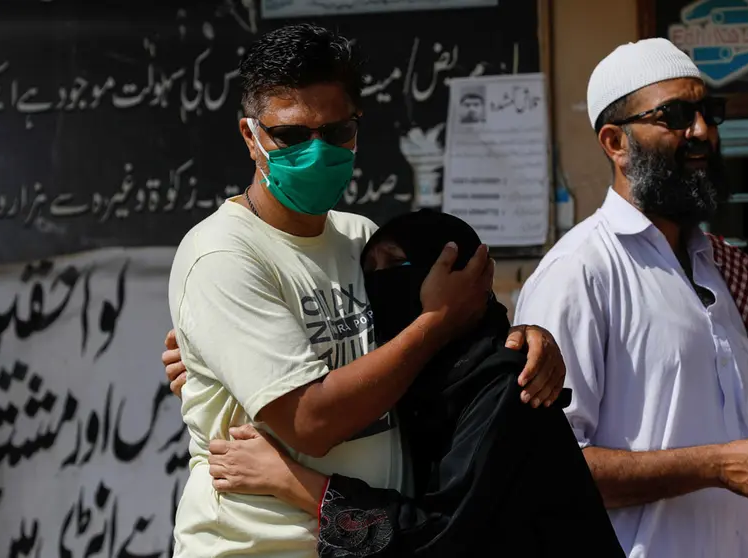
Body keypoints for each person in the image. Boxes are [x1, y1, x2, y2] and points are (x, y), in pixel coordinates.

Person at [162, 24, 566, 558]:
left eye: (336, 132)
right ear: (250, 136)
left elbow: (450, 350)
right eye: (291, 135)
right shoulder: (224, 256)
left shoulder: (366, 242)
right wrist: (434, 323)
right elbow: (311, 422)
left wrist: (524, 339)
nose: (317, 150)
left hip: (372, 544)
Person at [512, 38, 748, 558]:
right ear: (616, 142)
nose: (702, 131)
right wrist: (716, 464)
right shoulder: (579, 273)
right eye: (677, 116)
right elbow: (545, 471)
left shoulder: (725, 270)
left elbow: (731, 448)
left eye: (709, 112)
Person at [205, 209, 626, 557]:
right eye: (369, 271)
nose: (380, 282)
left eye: (396, 265)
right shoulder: (418, 384)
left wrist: (294, 484)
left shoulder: (507, 387)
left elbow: (440, 537)